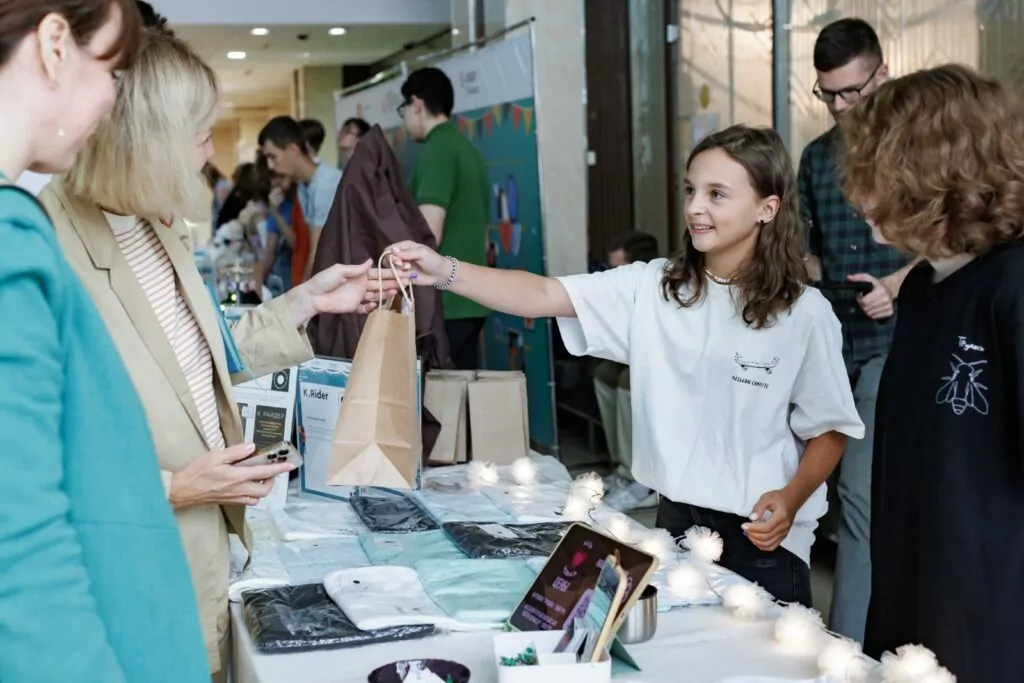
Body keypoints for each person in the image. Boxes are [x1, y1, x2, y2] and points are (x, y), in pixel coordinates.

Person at [384, 125, 864, 604]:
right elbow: (542, 294)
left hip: (765, 537)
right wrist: (442, 270)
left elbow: (830, 427)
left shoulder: (804, 312)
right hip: (674, 526)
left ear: (767, 207)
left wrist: (792, 498)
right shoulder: (655, 287)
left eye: (717, 194)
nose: (696, 207)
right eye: (692, 190)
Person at [39, 31, 387, 681]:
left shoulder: (156, 224)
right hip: (136, 562)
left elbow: (203, 359)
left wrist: (308, 300)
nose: (210, 149)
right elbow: (33, 467)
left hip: (209, 549)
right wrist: (176, 487)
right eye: (198, 131)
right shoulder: (49, 248)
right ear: (143, 138)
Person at [0, 1, 212, 681]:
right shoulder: (17, 246)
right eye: (113, 72)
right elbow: (20, 555)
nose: (113, 101)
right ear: (56, 45)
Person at [841, 63, 1024, 683]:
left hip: (990, 621)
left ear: (931, 174)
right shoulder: (921, 288)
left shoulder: (1012, 287)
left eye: (870, 174)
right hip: (912, 600)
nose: (856, 195)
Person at [797, 17, 916, 642]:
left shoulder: (920, 149)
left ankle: (847, 648)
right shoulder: (817, 158)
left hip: (894, 345)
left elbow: (963, 240)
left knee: (865, 503)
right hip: (826, 344)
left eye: (852, 92)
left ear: (882, 75)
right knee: (825, 499)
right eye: (828, 95)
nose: (841, 107)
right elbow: (810, 252)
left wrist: (899, 284)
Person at [402, 66, 491, 369]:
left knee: (437, 405)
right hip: (472, 294)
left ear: (416, 104)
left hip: (446, 299)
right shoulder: (466, 148)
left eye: (404, 109)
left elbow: (429, 233)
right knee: (462, 400)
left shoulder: (437, 149)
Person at [595, 231, 660, 511]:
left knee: (625, 381)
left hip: (666, 368)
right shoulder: (618, 290)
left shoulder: (658, 285)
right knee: (603, 374)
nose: (613, 275)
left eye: (618, 269)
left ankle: (642, 480)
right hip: (637, 359)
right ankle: (622, 469)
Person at [259, 115, 342, 282]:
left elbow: (317, 255)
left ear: (293, 150)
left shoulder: (326, 184)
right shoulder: (304, 187)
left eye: (273, 156)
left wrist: (298, 300)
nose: (270, 165)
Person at [260, 170, 297, 296]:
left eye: (281, 176)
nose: (275, 182)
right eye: (273, 178)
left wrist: (275, 213)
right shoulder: (279, 205)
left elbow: (294, 242)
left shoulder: (298, 204)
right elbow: (270, 248)